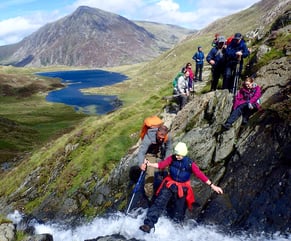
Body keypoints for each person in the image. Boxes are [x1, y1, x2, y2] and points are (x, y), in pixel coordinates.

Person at [139, 142, 224, 233]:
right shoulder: (172, 158)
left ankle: (177, 232)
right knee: (158, 203)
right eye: (176, 154)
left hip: (182, 189)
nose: (177, 157)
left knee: (179, 211)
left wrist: (213, 186)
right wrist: (149, 164)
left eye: (179, 155)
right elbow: (161, 165)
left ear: (184, 154)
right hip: (169, 185)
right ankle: (148, 224)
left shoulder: (190, 164)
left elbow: (200, 175)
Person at [136, 125, 172, 199]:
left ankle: (167, 188)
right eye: (159, 138)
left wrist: (166, 160)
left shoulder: (168, 137)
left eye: (163, 138)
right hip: (150, 154)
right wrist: (141, 164)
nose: (161, 139)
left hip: (160, 151)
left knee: (168, 168)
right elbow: (141, 152)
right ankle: (149, 194)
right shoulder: (148, 137)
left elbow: (169, 148)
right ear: (156, 133)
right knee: (150, 173)